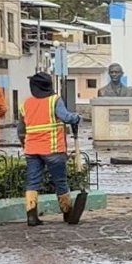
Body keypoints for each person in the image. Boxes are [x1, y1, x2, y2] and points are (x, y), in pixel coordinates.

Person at [17, 72, 86, 227]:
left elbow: (21, 129)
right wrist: (77, 118)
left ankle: (31, 216)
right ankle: (67, 212)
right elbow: (66, 117)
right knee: (60, 181)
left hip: (32, 150)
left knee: (32, 182)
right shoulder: (54, 100)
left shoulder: (26, 103)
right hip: (53, 149)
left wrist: (25, 144)